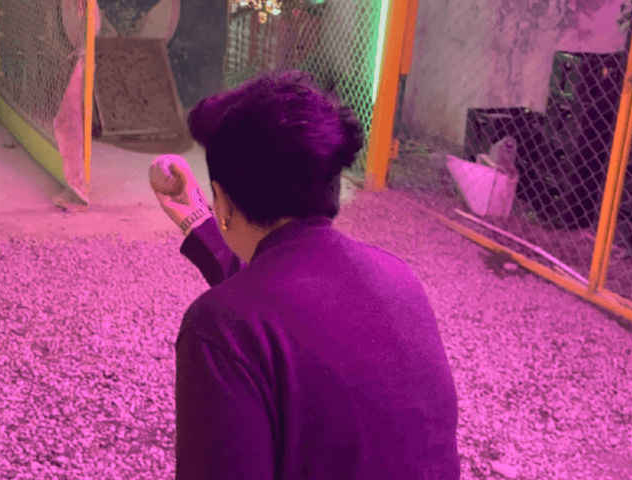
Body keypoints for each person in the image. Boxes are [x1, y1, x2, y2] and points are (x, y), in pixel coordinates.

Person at [153, 70, 460, 479]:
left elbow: (260, 311)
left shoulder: (219, 327)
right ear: (330, 186)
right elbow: (282, 304)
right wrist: (197, 221)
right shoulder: (399, 279)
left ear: (222, 202)